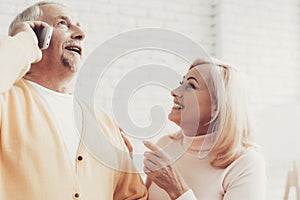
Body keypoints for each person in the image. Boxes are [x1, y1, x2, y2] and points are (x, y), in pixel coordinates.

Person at [0, 1, 147, 199]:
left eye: (78, 26)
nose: (80, 33)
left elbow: (134, 196)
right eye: (62, 24)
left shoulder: (104, 122)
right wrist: (23, 41)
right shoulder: (7, 100)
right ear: (37, 36)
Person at [143, 58, 266, 200]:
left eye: (191, 86)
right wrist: (124, 166)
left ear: (218, 105)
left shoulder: (245, 164)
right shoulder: (165, 145)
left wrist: (178, 190)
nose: (174, 91)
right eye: (181, 83)